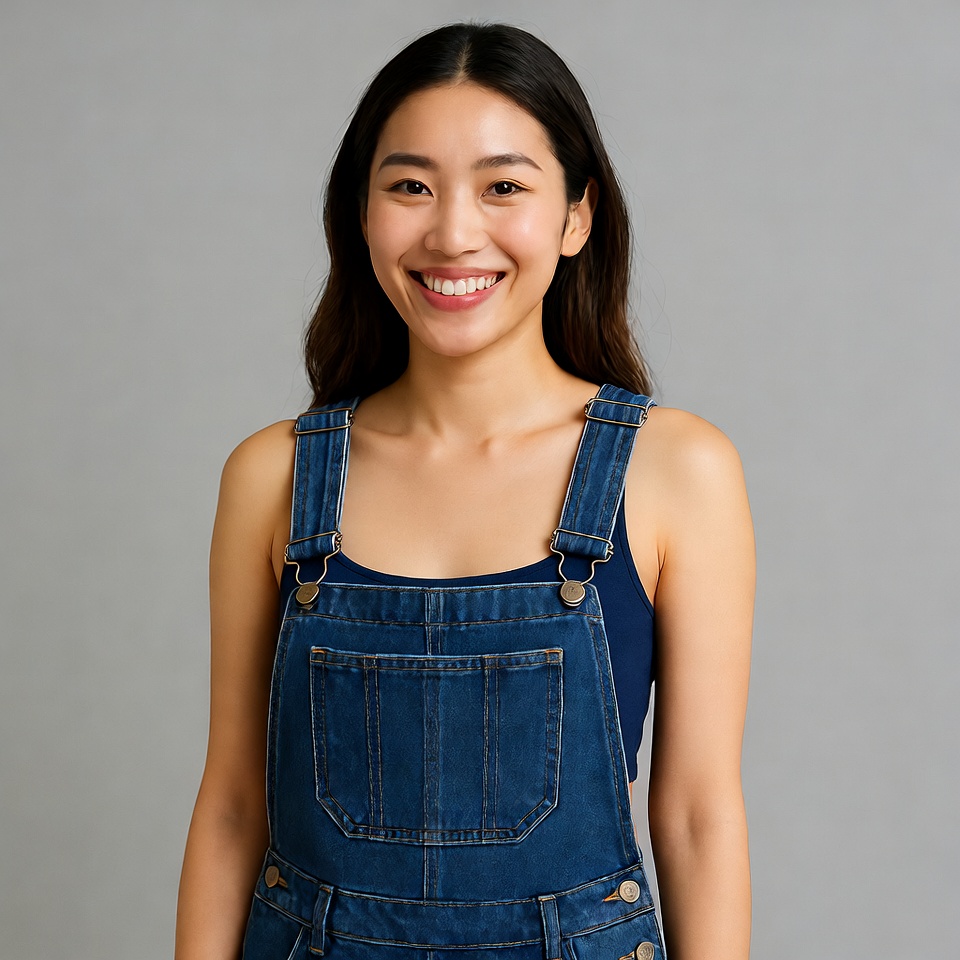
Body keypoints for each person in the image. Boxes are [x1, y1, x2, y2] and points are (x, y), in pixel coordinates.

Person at [176, 22, 754, 960]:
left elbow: (697, 817)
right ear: (360, 214)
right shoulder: (271, 476)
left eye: (504, 187)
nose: (451, 233)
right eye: (410, 186)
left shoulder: (677, 470)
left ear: (577, 217)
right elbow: (236, 805)